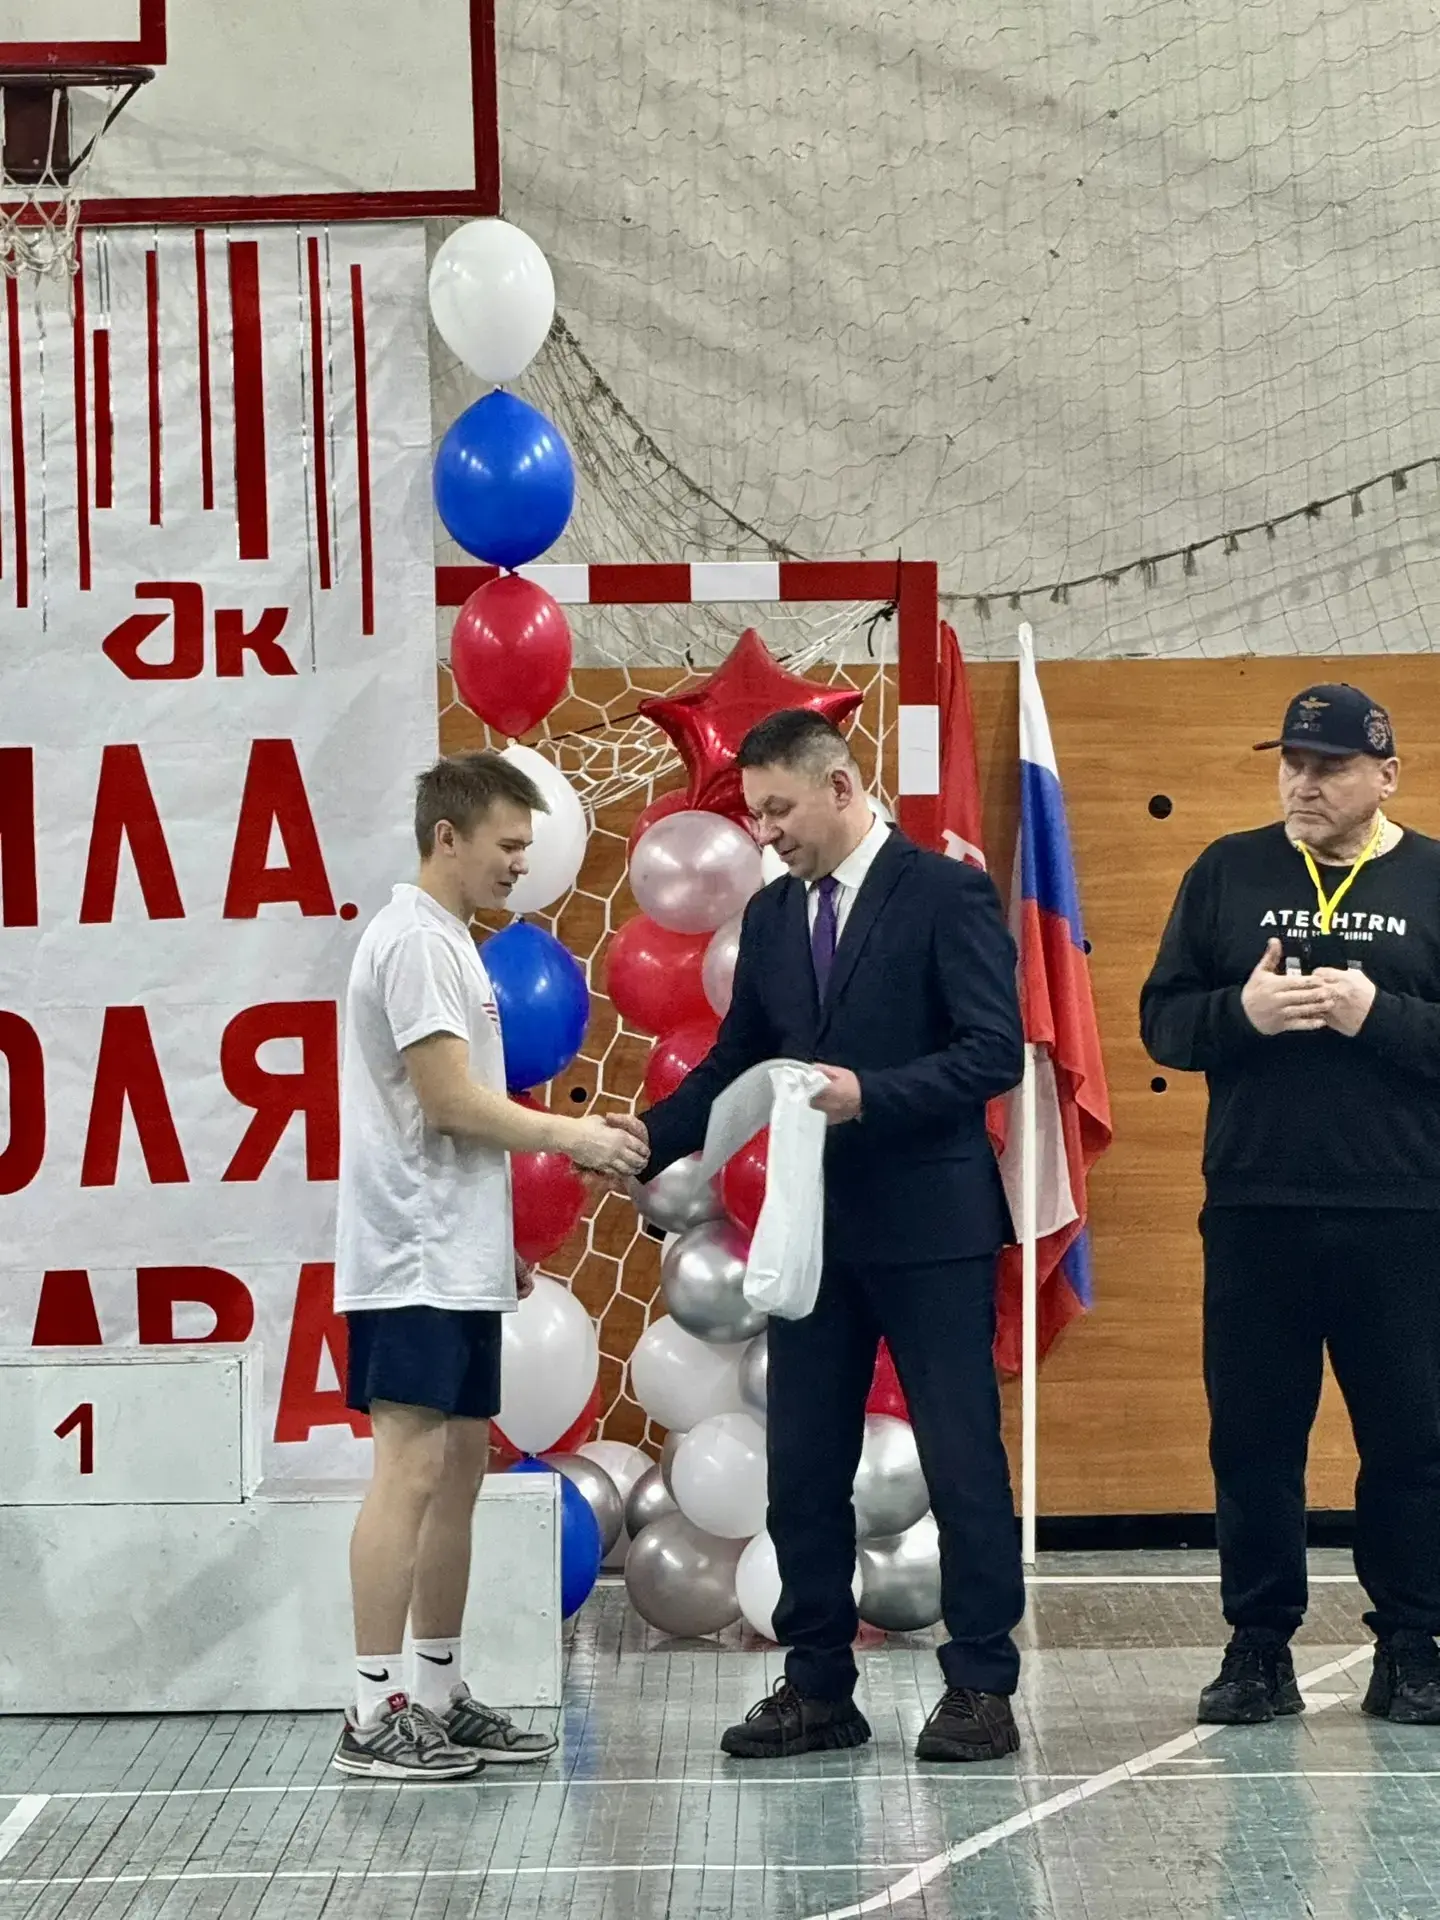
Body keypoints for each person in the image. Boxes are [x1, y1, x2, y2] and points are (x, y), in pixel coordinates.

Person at [614, 709, 1027, 1763]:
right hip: (813, 1234)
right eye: (755, 816)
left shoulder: (945, 894)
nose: (765, 833)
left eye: (778, 810)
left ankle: (982, 1684)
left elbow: (994, 1053)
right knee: (801, 1463)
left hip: (932, 1229)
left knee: (962, 1459)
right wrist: (645, 1138)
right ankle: (817, 1686)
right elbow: (735, 1060)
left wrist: (870, 1094)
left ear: (841, 787)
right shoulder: (772, 913)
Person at [331, 751, 648, 1780]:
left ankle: (437, 1689)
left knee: (459, 1473)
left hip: (454, 1253)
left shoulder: (453, 947)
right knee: (411, 1470)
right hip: (411, 1256)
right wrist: (574, 1136)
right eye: (508, 846)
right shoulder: (416, 944)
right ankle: (371, 1711)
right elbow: (448, 1103)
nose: (520, 864)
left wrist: (495, 1240)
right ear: (447, 837)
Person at [1141, 683, 1440, 1728]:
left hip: (1404, 1211)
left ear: (1385, 776)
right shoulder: (1227, 871)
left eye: (1329, 767)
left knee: (1412, 1440)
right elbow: (1163, 1023)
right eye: (1292, 763)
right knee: (1254, 1440)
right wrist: (1244, 1011)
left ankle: (1413, 1648)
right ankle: (1258, 1649)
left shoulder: (1433, 877)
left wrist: (1379, 1014)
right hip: (1256, 1205)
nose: (1303, 784)